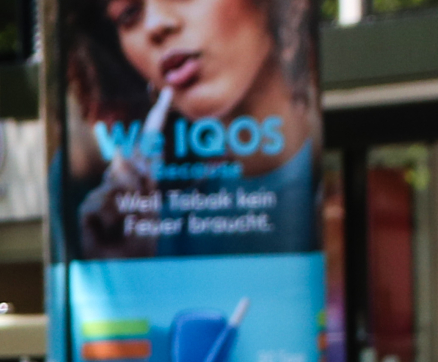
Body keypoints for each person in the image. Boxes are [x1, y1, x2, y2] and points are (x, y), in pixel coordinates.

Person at [64, 0, 318, 261]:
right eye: (128, 13)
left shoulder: (327, 188)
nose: (155, 26)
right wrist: (123, 271)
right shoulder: (158, 228)